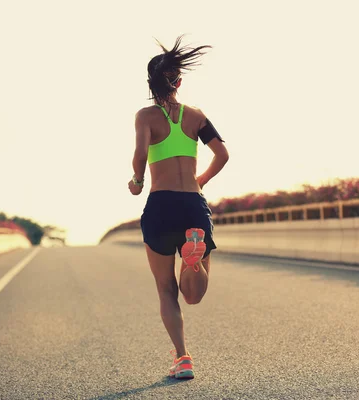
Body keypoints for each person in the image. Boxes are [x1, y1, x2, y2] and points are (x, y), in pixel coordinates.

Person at [127, 35, 229, 380]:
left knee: (166, 290)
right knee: (194, 294)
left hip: (160, 205)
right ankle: (193, 259)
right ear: (179, 82)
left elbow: (141, 153)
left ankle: (183, 358)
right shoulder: (196, 116)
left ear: (150, 82)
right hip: (192, 206)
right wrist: (200, 181)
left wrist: (137, 181)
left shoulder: (145, 116)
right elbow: (223, 154)